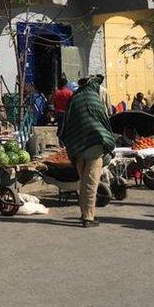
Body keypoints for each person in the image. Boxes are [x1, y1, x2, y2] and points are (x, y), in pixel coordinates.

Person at [60, 75, 115, 227]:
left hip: (77, 145)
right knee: (91, 182)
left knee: (83, 182)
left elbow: (67, 122)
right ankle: (88, 218)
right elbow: (103, 120)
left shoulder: (74, 98)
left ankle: (85, 213)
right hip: (93, 146)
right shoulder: (93, 98)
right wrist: (109, 139)